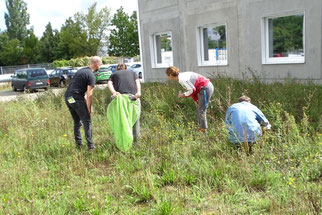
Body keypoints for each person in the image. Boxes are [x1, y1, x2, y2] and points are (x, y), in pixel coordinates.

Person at [65, 56, 102, 150]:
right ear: (97, 65)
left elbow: (84, 94)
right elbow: (89, 94)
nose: (100, 67)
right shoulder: (91, 76)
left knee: (77, 121)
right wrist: (89, 109)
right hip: (76, 97)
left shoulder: (82, 71)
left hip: (69, 97)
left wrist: (86, 105)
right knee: (87, 121)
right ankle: (91, 146)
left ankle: (79, 145)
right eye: (100, 65)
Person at [165, 66, 214, 133]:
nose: (168, 77)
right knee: (199, 108)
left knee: (201, 110)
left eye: (167, 75)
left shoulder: (182, 79)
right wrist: (195, 100)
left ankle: (203, 130)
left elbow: (192, 89)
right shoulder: (181, 76)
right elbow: (193, 88)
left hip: (206, 88)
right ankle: (201, 127)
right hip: (202, 89)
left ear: (170, 75)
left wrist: (184, 95)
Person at [107, 63, 141, 143]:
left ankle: (122, 140)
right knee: (135, 120)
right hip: (132, 97)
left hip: (120, 99)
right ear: (126, 68)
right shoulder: (133, 73)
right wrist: (138, 92)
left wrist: (114, 92)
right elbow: (137, 82)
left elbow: (109, 83)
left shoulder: (114, 74)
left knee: (121, 120)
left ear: (117, 69)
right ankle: (136, 142)